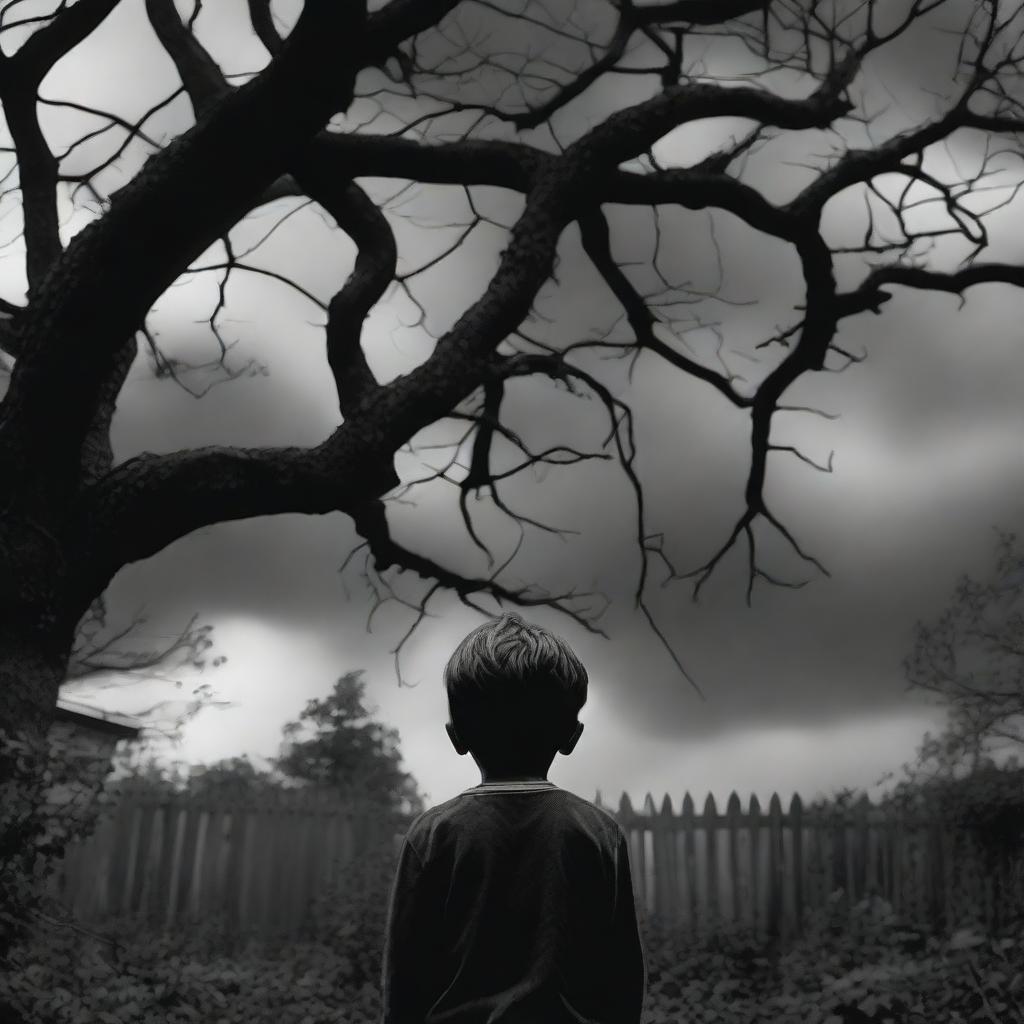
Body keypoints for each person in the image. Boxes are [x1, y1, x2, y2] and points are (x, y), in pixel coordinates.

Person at [380, 612, 647, 1024]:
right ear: (571, 736)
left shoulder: (433, 834)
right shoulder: (598, 832)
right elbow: (621, 972)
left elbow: (406, 975)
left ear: (456, 736)